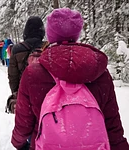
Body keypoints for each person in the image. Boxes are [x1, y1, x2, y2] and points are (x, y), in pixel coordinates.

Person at [11, 8, 129, 150]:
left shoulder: (33, 74)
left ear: (50, 35)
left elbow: (23, 123)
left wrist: (18, 143)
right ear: (77, 34)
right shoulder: (99, 73)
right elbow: (112, 125)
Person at [8, 16, 45, 97]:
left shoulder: (17, 49)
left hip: (25, 92)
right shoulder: (47, 47)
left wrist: (16, 93)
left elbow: (13, 76)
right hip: (46, 94)